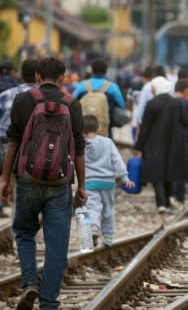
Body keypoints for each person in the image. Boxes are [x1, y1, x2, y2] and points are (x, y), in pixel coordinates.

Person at [0, 57, 87, 310]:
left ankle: (30, 282)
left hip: (27, 179)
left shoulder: (23, 100)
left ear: (37, 76)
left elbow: (13, 141)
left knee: (25, 232)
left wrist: (6, 178)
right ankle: (49, 303)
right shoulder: (72, 104)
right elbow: (79, 148)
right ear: (62, 78)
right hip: (60, 182)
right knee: (57, 244)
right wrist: (82, 186)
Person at [134, 77, 188, 213]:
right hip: (173, 143)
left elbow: (145, 128)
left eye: (153, 87)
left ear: (157, 88)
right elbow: (186, 121)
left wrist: (138, 146)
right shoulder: (176, 103)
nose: (151, 90)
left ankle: (161, 203)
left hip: (154, 143)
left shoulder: (151, 104)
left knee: (157, 175)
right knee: (169, 173)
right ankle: (167, 202)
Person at [83, 115, 135, 247]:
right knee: (108, 209)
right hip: (108, 183)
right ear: (99, 128)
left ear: (82, 131)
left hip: (90, 182)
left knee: (92, 206)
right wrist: (125, 177)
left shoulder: (82, 145)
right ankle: (108, 237)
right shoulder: (108, 142)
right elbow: (117, 160)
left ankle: (94, 227)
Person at [0, 59, 37, 218]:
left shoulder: (6, 95)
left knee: (5, 177)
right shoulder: (46, 96)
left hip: (5, 144)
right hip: (35, 146)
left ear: (21, 75)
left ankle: (3, 203)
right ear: (39, 76)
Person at [73, 59, 126, 138]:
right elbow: (122, 105)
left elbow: (72, 103)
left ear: (92, 70)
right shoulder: (113, 87)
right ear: (106, 71)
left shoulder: (81, 85)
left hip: (84, 128)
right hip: (105, 129)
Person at [172, 80, 188, 204]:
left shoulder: (170, 102)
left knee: (173, 166)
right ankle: (180, 195)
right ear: (185, 89)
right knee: (183, 166)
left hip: (171, 139)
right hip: (185, 138)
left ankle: (173, 193)